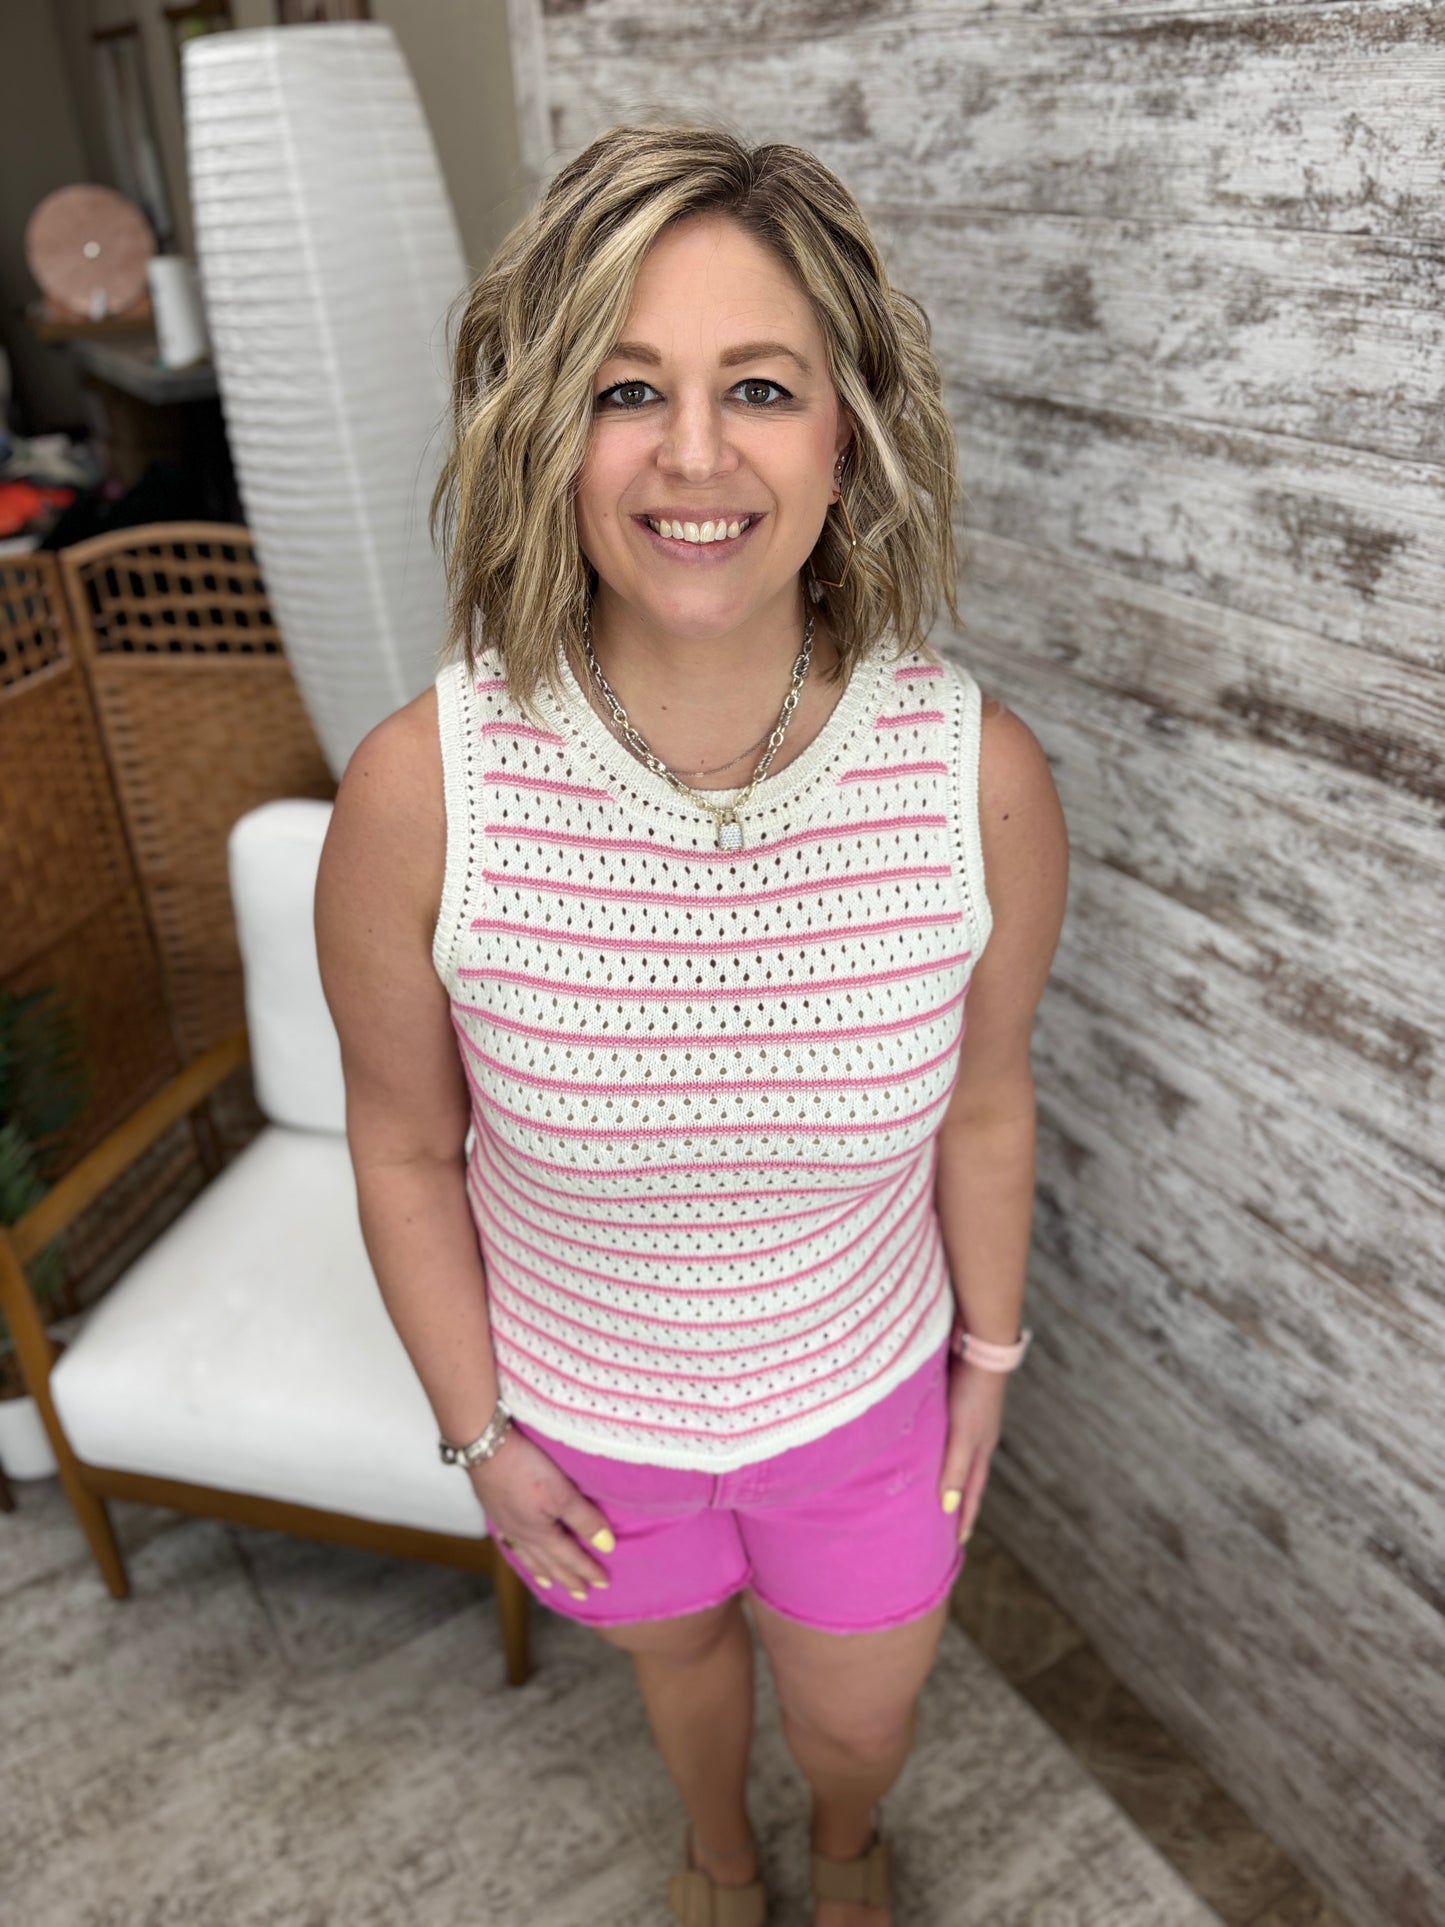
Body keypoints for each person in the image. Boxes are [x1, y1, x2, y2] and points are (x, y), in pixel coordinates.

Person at [315, 122, 1069, 1927]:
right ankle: (718, 1857)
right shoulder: (425, 794)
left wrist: (988, 1359)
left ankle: (843, 1845)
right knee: (682, 1682)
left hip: (863, 1395)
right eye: (625, 388)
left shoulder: (977, 780)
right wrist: (480, 1435)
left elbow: (985, 1103)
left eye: (758, 386)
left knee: (859, 1719)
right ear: (547, 426)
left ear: (847, 427)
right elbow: (405, 1142)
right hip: (584, 1422)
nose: (694, 455)